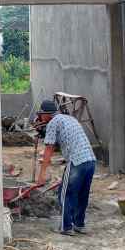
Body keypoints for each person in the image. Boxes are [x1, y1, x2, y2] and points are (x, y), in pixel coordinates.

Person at [35, 99, 96, 236]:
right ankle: (79, 225)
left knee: (65, 194)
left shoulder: (52, 123)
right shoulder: (69, 118)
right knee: (82, 194)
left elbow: (49, 149)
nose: (40, 118)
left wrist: (41, 175)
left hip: (76, 161)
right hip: (90, 160)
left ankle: (66, 227)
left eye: (41, 115)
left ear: (46, 114)